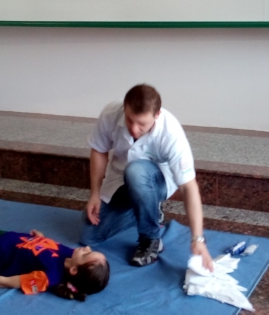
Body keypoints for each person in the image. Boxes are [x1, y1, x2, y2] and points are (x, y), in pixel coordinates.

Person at [82, 84, 214, 271]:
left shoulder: (172, 134)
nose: (134, 129)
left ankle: (150, 239)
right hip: (120, 180)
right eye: (130, 120)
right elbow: (99, 150)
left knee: (136, 171)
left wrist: (197, 239)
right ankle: (146, 211)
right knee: (89, 235)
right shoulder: (110, 113)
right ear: (124, 108)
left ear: (157, 115)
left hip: (156, 182)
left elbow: (188, 187)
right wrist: (94, 194)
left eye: (142, 124)